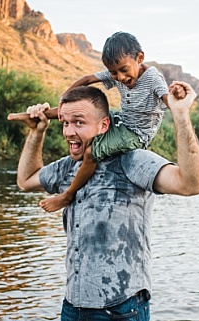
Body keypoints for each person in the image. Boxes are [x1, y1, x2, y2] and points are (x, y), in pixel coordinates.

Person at [16, 81, 199, 321]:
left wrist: (181, 116)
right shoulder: (68, 167)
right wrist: (36, 133)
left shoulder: (133, 161)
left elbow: (191, 184)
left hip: (121, 310)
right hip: (74, 309)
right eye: (65, 123)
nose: (70, 132)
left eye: (79, 123)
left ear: (104, 126)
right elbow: (25, 180)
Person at [39, 32, 174, 213]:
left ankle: (67, 195)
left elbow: (168, 100)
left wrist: (177, 101)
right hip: (120, 120)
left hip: (135, 133)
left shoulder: (152, 79)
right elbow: (87, 80)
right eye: (113, 73)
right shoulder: (118, 70)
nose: (119, 77)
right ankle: (40, 115)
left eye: (124, 70)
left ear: (139, 58)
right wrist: (64, 100)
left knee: (90, 152)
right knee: (82, 113)